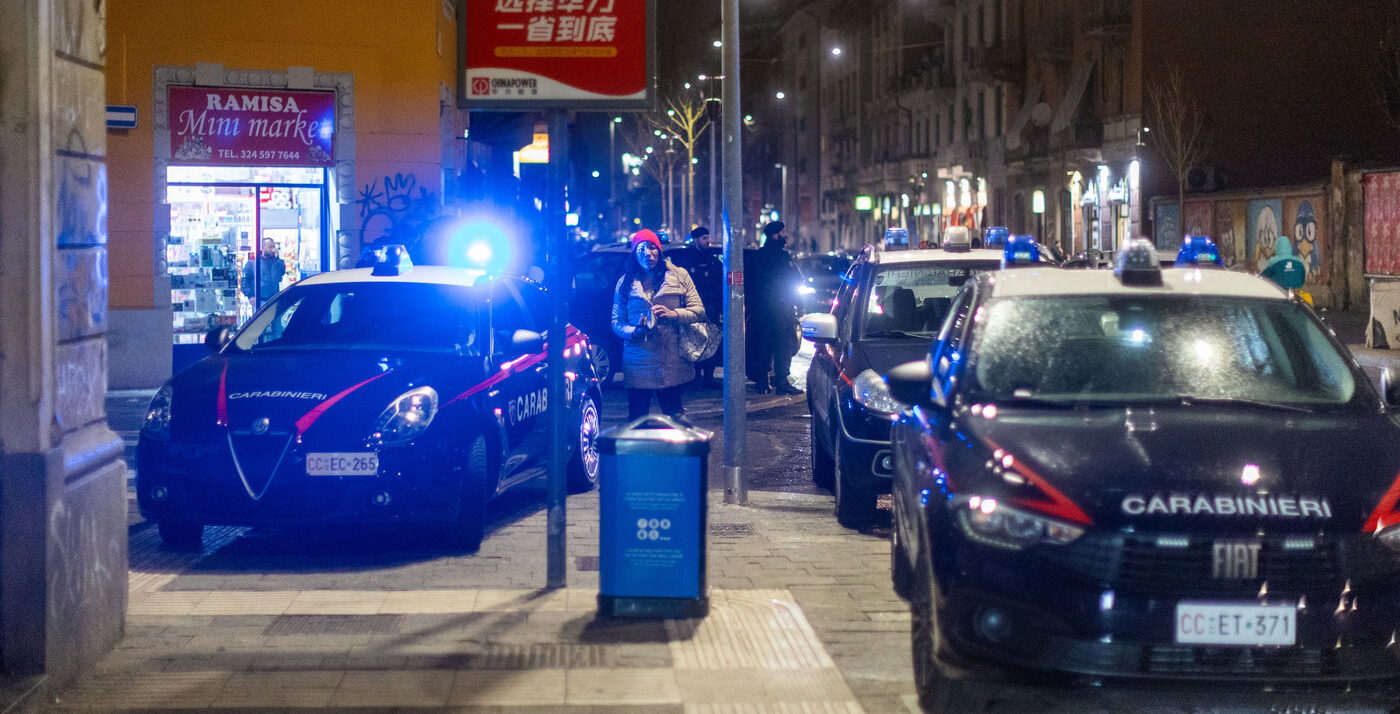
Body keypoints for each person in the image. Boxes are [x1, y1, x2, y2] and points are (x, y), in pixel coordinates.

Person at [611, 229, 707, 420]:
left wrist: (674, 314)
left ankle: (680, 450)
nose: (648, 253)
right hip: (638, 361)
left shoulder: (679, 276)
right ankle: (640, 451)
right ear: (634, 254)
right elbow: (616, 321)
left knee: (675, 418)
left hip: (670, 361)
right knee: (637, 419)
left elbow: (699, 310)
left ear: (660, 251)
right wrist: (634, 331)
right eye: (642, 249)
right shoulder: (624, 283)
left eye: (653, 248)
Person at [746, 221, 803, 395]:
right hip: (780, 309)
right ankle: (781, 381)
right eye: (783, 232)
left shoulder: (756, 256)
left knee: (762, 345)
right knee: (782, 346)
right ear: (775, 235)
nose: (786, 235)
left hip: (761, 310)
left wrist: (751, 307)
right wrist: (798, 305)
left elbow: (749, 285)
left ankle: (763, 382)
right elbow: (794, 281)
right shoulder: (783, 258)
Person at [680, 227, 725, 387]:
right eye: (704, 238)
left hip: (712, 310)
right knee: (696, 344)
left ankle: (708, 377)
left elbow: (721, 286)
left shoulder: (714, 261)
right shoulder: (687, 261)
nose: (708, 241)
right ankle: (695, 377)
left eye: (708, 237)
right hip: (694, 310)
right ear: (696, 240)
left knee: (710, 343)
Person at [241, 237, 286, 309]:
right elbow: (244, 280)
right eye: (270, 247)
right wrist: (250, 296)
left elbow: (283, 272)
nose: (273, 249)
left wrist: (278, 258)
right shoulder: (253, 263)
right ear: (263, 248)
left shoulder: (276, 262)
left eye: (274, 247)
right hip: (260, 301)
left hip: (275, 301)